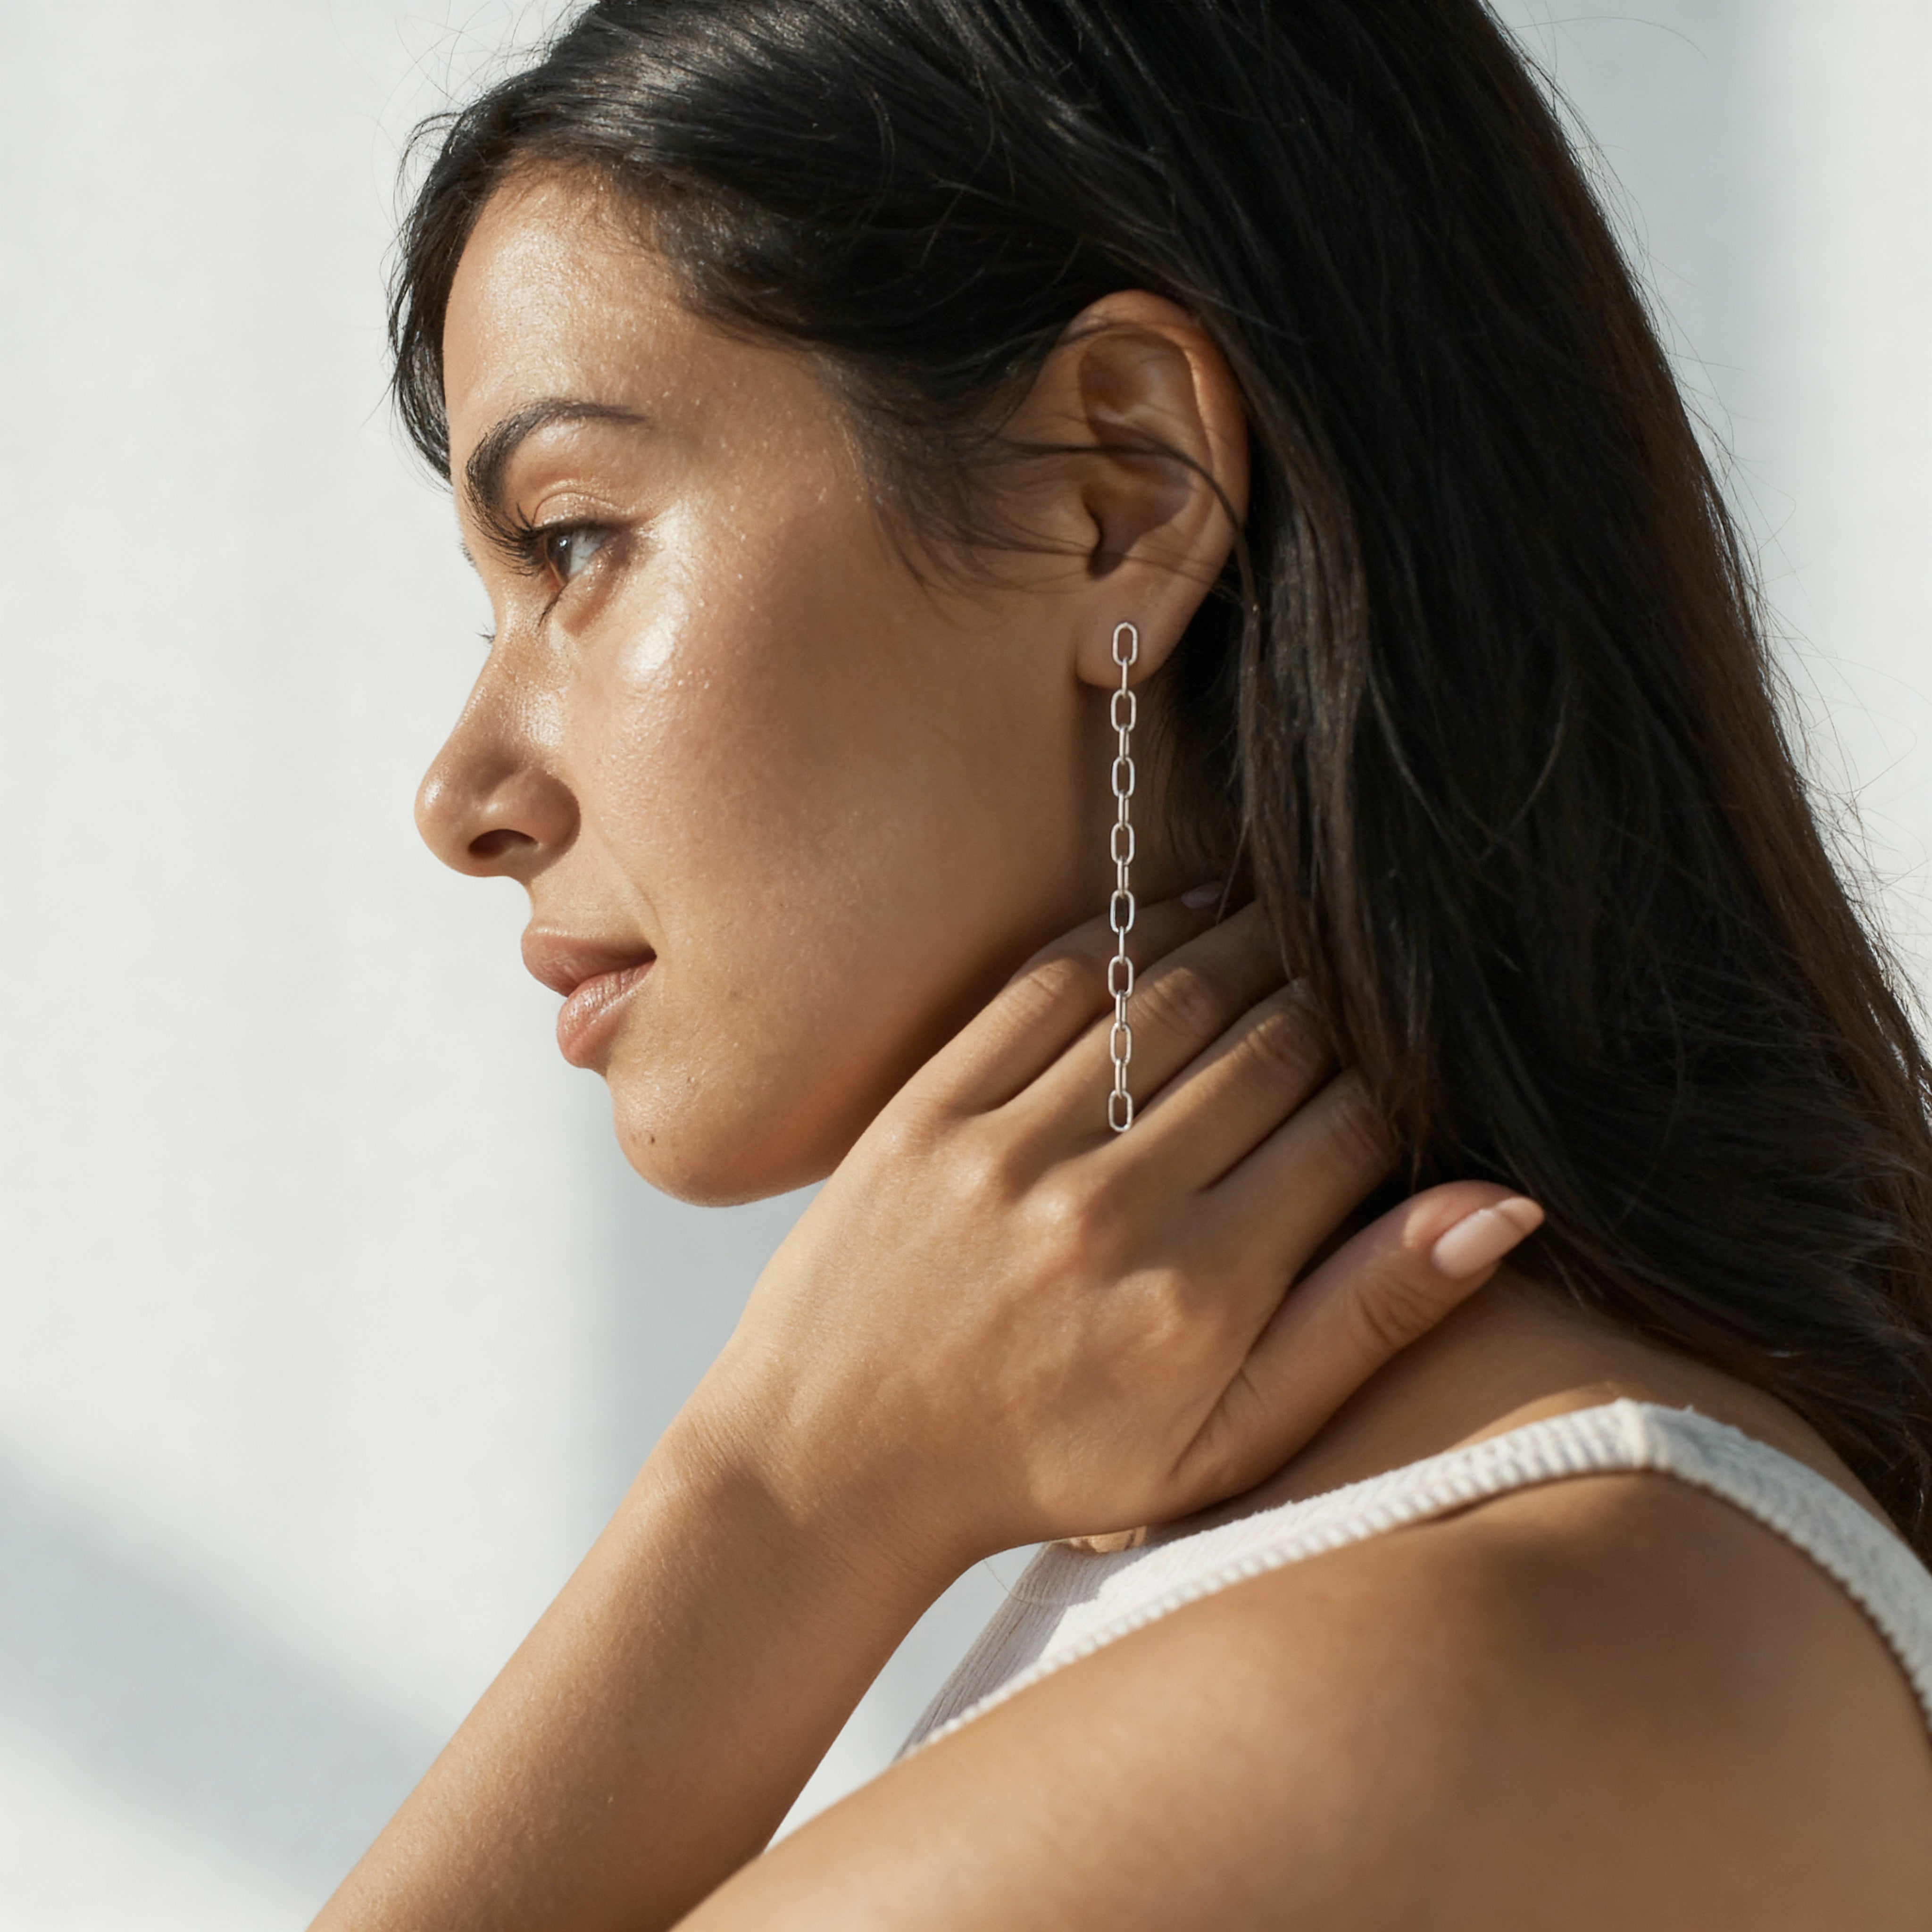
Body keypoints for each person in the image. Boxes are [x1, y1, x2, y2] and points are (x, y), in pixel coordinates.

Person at [314, 1, 1932, 1924]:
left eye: (578, 541)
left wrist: (777, 1500)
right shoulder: (1430, 1578)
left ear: (1121, 491)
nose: (462, 789)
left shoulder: (1445, 1664)